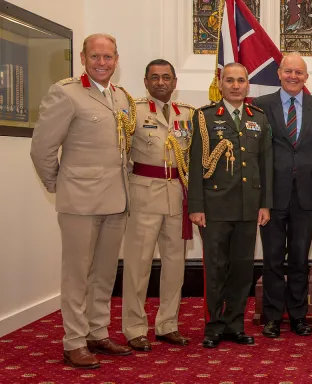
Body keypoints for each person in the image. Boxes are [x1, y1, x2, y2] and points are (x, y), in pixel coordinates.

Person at [30, 33, 134, 369]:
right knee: (76, 275)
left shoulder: (120, 97)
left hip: (116, 200)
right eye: (95, 57)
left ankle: (96, 332)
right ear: (83, 58)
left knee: (103, 274)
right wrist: (60, 185)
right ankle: (73, 341)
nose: (102, 63)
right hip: (79, 202)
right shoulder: (66, 92)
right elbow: (42, 148)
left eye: (108, 57)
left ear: (116, 60)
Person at [187, 62, 273, 349]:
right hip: (215, 207)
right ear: (220, 84)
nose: (236, 86)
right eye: (230, 80)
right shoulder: (205, 117)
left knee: (242, 269)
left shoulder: (258, 118)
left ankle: (235, 324)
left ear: (248, 85)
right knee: (216, 268)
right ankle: (213, 326)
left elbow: (265, 165)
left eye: (241, 80)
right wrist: (196, 206)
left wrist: (265, 204)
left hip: (249, 208)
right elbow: (196, 165)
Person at [253, 52, 312, 338]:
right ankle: (272, 317)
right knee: (272, 259)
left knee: (299, 259)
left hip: (306, 196)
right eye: (289, 71)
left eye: (299, 73)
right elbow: (257, 153)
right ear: (279, 73)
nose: (293, 77)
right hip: (272, 198)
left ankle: (298, 315)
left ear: (306, 77)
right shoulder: (261, 106)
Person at [121, 59, 195, 351]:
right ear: (146, 81)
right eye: (155, 77)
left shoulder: (187, 114)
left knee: (175, 266)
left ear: (175, 82)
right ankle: (135, 328)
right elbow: (122, 155)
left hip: (177, 196)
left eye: (166, 77)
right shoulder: (133, 112)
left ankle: (167, 325)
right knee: (138, 266)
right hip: (144, 195)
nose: (161, 82)